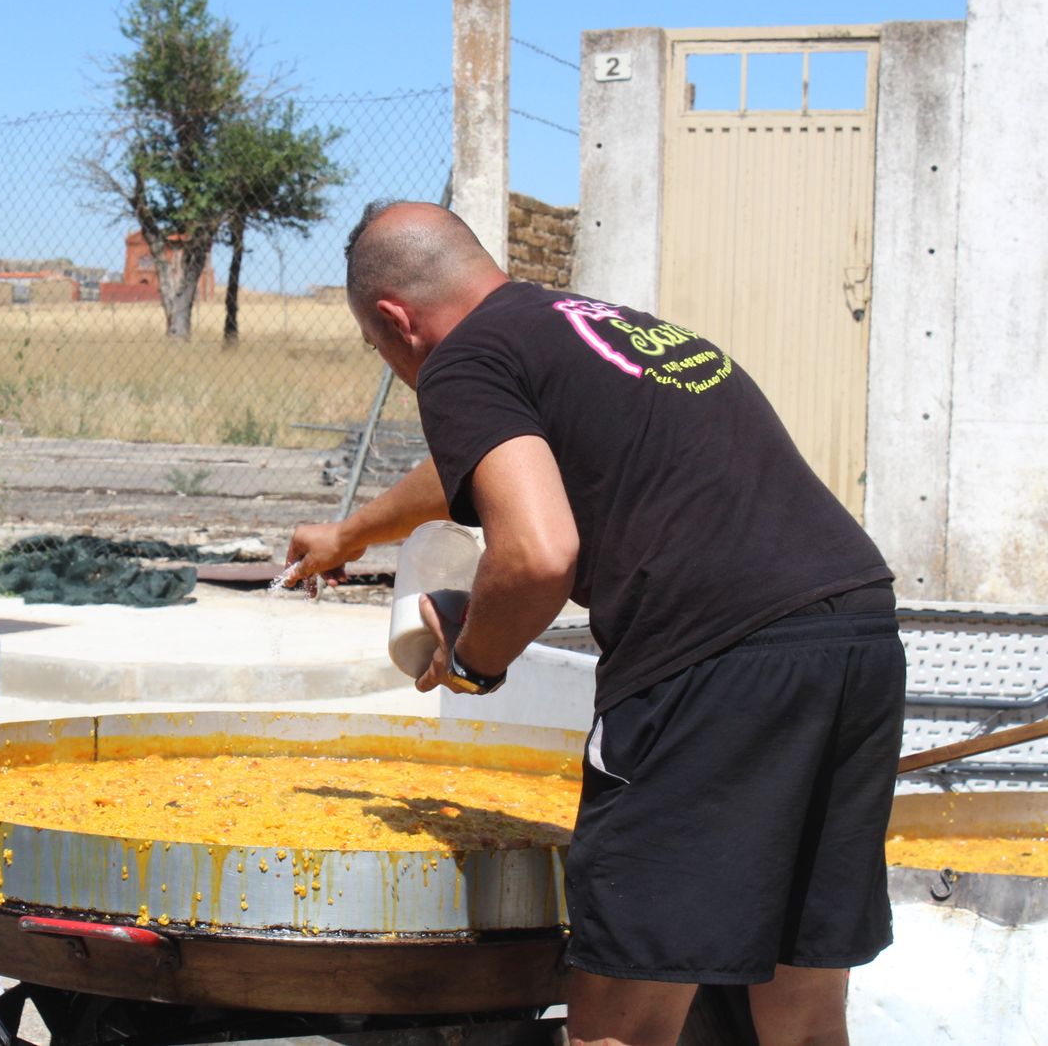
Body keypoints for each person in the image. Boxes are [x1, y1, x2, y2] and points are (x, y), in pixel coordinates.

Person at [285, 200, 904, 1046]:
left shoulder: (464, 358)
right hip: (855, 637)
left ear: (396, 319)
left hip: (713, 658)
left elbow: (538, 555)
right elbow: (480, 460)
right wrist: (351, 533)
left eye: (378, 347)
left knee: (622, 1019)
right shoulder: (584, 326)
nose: (393, 365)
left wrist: (474, 658)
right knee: (799, 1008)